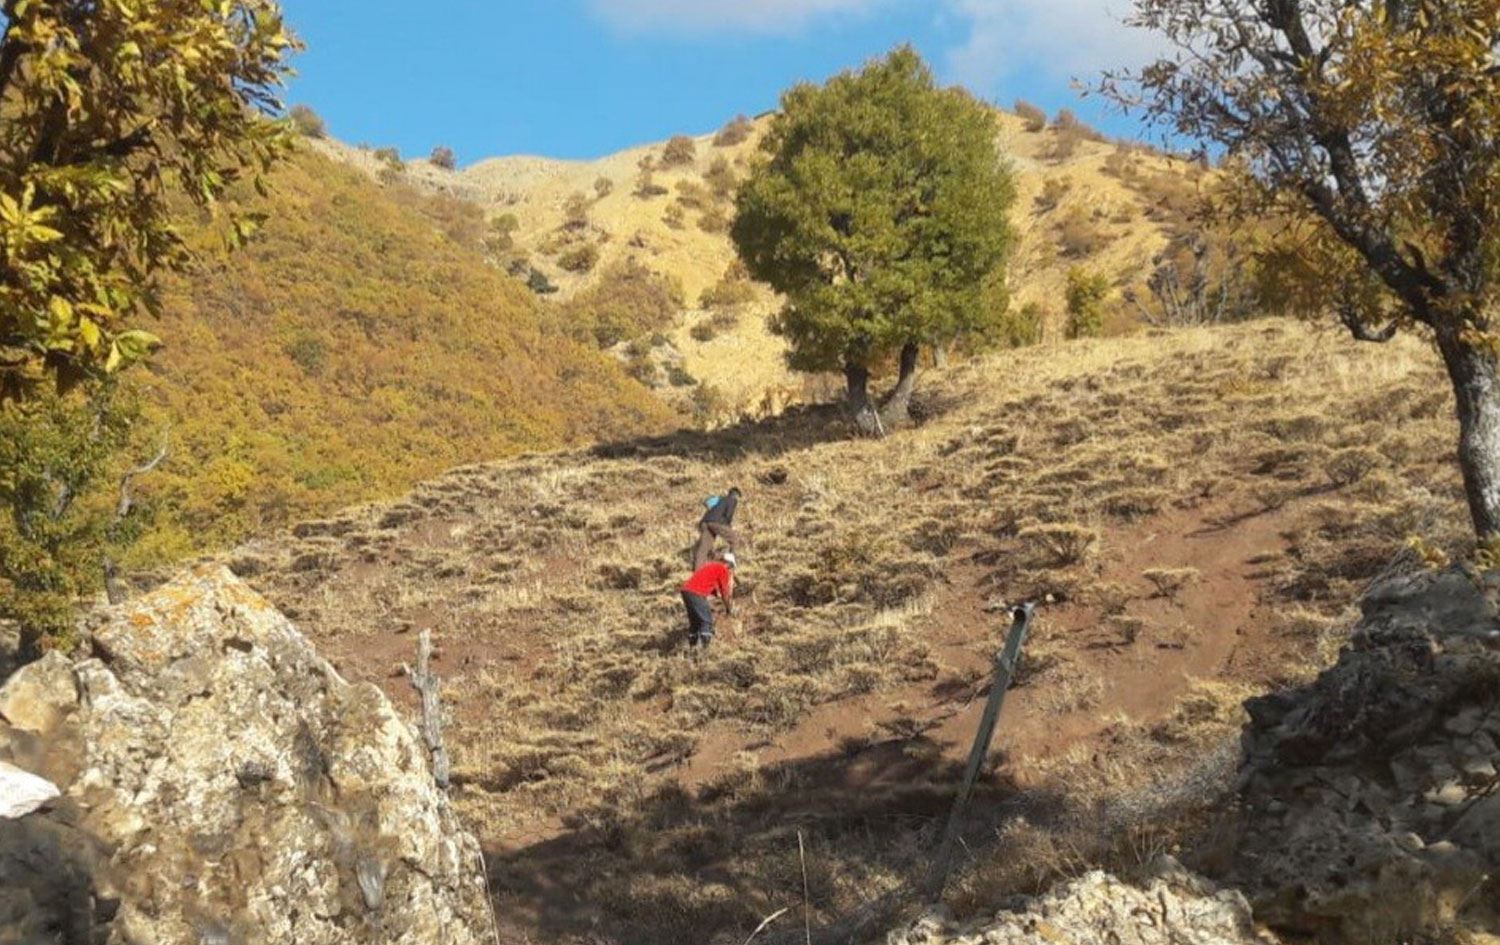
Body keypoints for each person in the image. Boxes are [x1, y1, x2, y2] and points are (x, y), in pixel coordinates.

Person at [680, 550, 735, 650]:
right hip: (696, 593)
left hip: (686, 591)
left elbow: (708, 585)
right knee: (706, 621)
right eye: (731, 567)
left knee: (695, 622)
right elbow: (725, 593)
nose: (730, 570)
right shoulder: (723, 569)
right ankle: (705, 651)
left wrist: (715, 597)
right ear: (728, 564)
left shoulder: (710, 566)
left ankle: (691, 649)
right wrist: (728, 609)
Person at [693, 486, 743, 569]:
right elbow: (728, 515)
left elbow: (706, 503)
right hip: (716, 522)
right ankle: (731, 562)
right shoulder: (732, 500)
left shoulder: (719, 499)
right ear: (736, 495)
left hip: (705, 522)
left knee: (704, 548)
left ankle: (698, 571)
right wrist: (728, 526)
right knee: (734, 538)